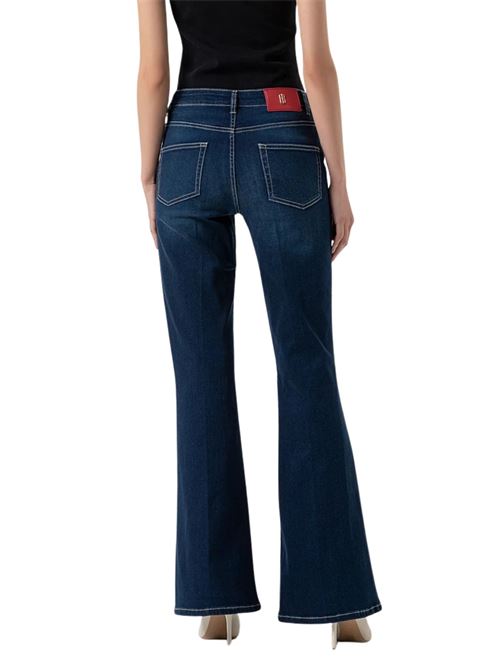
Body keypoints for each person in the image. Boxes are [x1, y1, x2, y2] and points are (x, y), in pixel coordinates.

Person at [136, 0, 382, 648]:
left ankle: (215, 606)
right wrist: (339, 179)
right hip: (283, 133)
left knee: (200, 378)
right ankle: (340, 605)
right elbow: (316, 64)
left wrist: (149, 171)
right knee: (307, 369)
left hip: (187, 142)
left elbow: (155, 71)